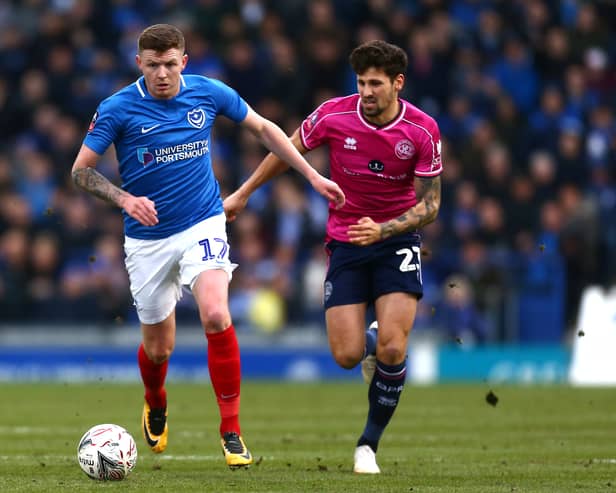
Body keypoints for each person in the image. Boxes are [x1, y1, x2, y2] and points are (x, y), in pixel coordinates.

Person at [71, 24, 344, 469]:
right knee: (159, 349)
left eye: (170, 63)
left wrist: (312, 176)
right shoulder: (117, 108)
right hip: (148, 240)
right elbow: (80, 171)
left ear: (185, 61)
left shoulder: (208, 93)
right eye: (153, 64)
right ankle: (156, 401)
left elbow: (265, 129)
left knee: (216, 313)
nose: (162, 73)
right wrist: (124, 198)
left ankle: (231, 431)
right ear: (139, 63)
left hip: (204, 221)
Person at [224, 40, 442, 474]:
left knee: (395, 346)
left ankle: (368, 446)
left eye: (376, 83)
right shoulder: (333, 115)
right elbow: (286, 151)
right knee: (345, 356)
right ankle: (368, 349)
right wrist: (244, 193)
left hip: (396, 242)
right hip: (344, 243)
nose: (366, 91)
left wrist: (386, 228)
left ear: (397, 83)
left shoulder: (421, 130)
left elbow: (430, 205)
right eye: (361, 82)